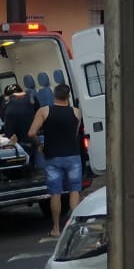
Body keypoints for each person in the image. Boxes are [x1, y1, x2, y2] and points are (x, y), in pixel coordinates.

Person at [27, 83, 84, 236]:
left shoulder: (44, 111)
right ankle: (75, 227)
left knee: (55, 193)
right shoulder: (76, 112)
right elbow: (75, 133)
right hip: (73, 156)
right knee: (74, 191)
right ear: (69, 96)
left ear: (53, 95)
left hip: (52, 157)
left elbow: (31, 133)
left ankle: (56, 229)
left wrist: (39, 145)